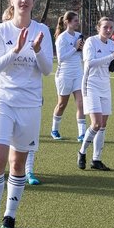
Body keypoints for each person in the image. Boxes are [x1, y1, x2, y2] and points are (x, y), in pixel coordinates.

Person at [0, 0, 54, 228]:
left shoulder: (42, 30)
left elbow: (46, 70)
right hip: (2, 101)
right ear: (12, 1)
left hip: (30, 104)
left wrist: (36, 50)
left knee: (17, 163)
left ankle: (10, 215)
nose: (24, 1)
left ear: (34, 2)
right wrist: (15, 49)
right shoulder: (1, 30)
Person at [77, 16, 114, 171]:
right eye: (105, 27)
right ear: (98, 27)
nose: (108, 30)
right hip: (90, 85)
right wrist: (112, 55)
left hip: (105, 86)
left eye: (110, 27)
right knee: (96, 123)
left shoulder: (113, 44)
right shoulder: (91, 42)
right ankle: (82, 151)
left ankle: (96, 159)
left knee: (103, 125)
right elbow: (90, 63)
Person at [51, 11, 86, 142]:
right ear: (67, 22)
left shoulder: (79, 36)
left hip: (78, 72)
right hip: (64, 74)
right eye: (75, 20)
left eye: (78, 20)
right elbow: (61, 58)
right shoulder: (62, 38)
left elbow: (82, 56)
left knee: (81, 103)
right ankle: (54, 129)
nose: (78, 23)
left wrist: (82, 50)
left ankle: (82, 134)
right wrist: (75, 47)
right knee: (62, 104)